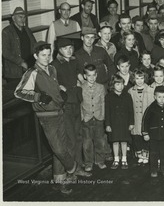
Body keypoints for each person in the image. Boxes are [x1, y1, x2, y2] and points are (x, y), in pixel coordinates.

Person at [14, 42, 79, 194]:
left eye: (49, 55)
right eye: (43, 55)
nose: (47, 58)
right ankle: (72, 167)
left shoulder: (52, 68)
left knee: (60, 149)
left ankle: (59, 182)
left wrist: (61, 92)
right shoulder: (32, 72)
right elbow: (19, 92)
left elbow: (53, 87)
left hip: (59, 112)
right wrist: (39, 96)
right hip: (46, 116)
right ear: (36, 56)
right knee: (58, 148)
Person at [50, 38, 90, 177]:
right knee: (70, 139)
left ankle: (78, 167)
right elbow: (52, 86)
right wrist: (59, 88)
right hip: (65, 105)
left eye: (71, 47)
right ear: (59, 50)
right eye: (65, 48)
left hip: (76, 102)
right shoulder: (54, 65)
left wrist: (82, 81)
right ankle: (70, 170)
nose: (69, 50)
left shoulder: (74, 60)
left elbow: (78, 72)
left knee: (79, 136)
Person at [142, 86, 164, 178]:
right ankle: (153, 170)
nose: (161, 99)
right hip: (153, 136)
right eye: (159, 97)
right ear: (155, 97)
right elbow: (145, 120)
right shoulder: (151, 108)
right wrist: (145, 133)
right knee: (153, 154)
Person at [80, 64, 108, 172]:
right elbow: (80, 103)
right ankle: (88, 162)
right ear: (85, 76)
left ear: (96, 75)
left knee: (100, 141)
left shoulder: (101, 87)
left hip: (98, 118)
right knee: (87, 143)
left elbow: (103, 102)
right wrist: (82, 117)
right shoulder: (81, 88)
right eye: (89, 75)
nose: (91, 78)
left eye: (93, 75)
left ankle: (100, 160)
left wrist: (103, 116)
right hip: (86, 119)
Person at [105, 74, 134, 170]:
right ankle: (116, 159)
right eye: (117, 84)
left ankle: (124, 159)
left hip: (124, 122)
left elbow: (131, 110)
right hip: (114, 123)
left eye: (121, 84)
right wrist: (108, 124)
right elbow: (107, 112)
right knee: (115, 141)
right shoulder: (109, 97)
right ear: (113, 85)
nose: (120, 86)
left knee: (124, 141)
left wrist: (131, 123)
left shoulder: (127, 96)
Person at [2, 7, 36, 83]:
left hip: (28, 68)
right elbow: (6, 53)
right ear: (13, 18)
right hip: (14, 72)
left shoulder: (27, 30)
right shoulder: (6, 32)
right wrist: (21, 62)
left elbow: (35, 46)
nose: (22, 20)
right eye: (20, 17)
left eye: (24, 17)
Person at [128, 69, 153, 165]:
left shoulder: (150, 90)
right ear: (133, 79)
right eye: (137, 78)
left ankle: (146, 154)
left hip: (146, 118)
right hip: (135, 118)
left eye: (141, 78)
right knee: (137, 137)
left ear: (145, 78)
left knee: (146, 136)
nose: (139, 81)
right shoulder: (131, 91)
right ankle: (140, 155)